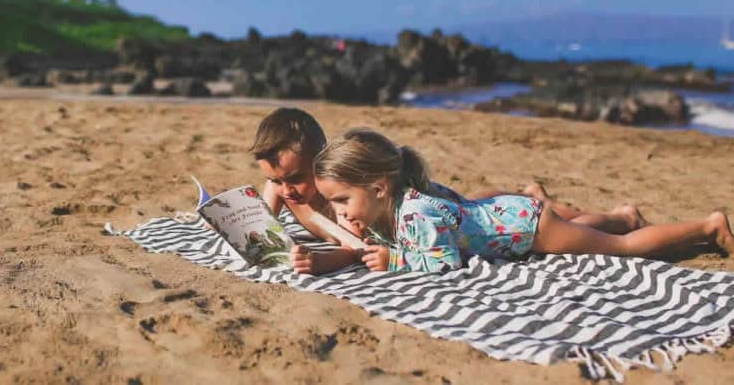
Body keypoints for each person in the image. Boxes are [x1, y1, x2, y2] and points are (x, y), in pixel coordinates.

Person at [249, 108, 646, 274]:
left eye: (294, 179)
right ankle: (594, 213)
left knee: (537, 224)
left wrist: (320, 263)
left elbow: (356, 248)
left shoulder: (346, 199)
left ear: (320, 163)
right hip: (464, 217)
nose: (285, 190)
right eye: (276, 180)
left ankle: (615, 218)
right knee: (537, 224)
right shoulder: (290, 188)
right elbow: (265, 220)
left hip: (445, 212)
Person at [309, 128, 734, 274]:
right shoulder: (398, 202)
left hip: (528, 230)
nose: (341, 212)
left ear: (379, 189)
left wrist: (394, 261)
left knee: (619, 250)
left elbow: (443, 263)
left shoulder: (415, 211)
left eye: (343, 200)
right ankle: (623, 215)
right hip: (515, 216)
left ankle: (708, 225)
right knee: (589, 231)